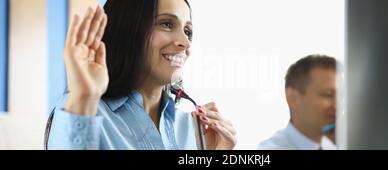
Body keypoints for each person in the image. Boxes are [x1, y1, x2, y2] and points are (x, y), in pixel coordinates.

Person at [47, 0, 236, 150]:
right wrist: (84, 98)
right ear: (129, 30)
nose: (185, 42)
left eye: (188, 31)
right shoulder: (82, 111)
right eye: (167, 24)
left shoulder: (191, 129)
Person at [258, 55, 337, 150]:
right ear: (293, 98)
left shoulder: (337, 144)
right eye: (328, 95)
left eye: (342, 97)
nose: (338, 105)